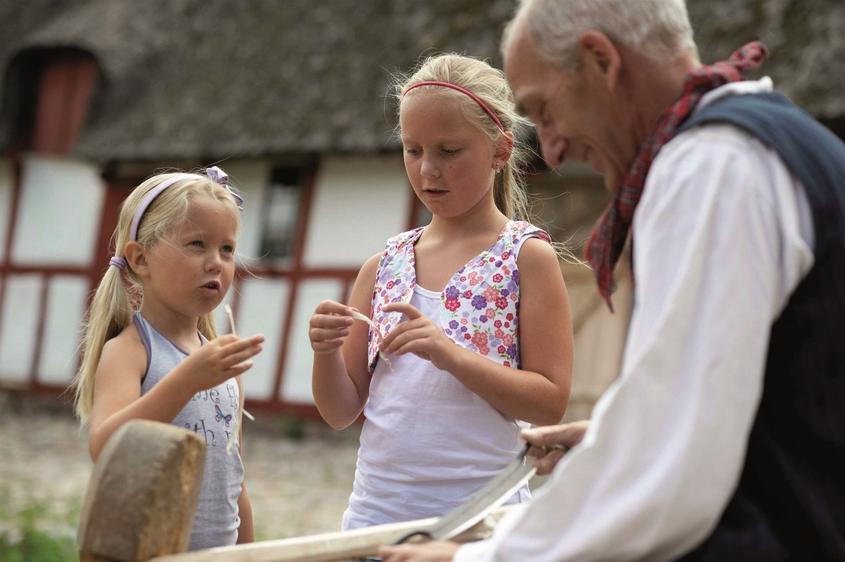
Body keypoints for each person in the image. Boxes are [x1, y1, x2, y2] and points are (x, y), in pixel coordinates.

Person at [379, 0, 845, 560]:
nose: (551, 148)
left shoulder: (711, 170)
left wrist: (479, 557)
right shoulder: (763, 146)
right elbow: (732, 397)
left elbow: (678, 475)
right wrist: (613, 439)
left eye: (545, 111)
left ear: (601, 61)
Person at [308, 53, 573, 531]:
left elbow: (549, 401)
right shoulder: (381, 266)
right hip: (373, 524)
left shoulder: (525, 257)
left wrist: (451, 356)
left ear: (500, 151)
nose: (428, 169)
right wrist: (324, 352)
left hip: (478, 524)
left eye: (449, 151)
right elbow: (341, 412)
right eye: (413, 150)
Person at [72, 167, 265, 550]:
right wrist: (187, 380)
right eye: (197, 244)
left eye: (227, 248)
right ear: (141, 259)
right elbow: (106, 448)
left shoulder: (218, 359)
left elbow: (234, 477)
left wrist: (249, 552)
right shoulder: (131, 349)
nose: (217, 262)